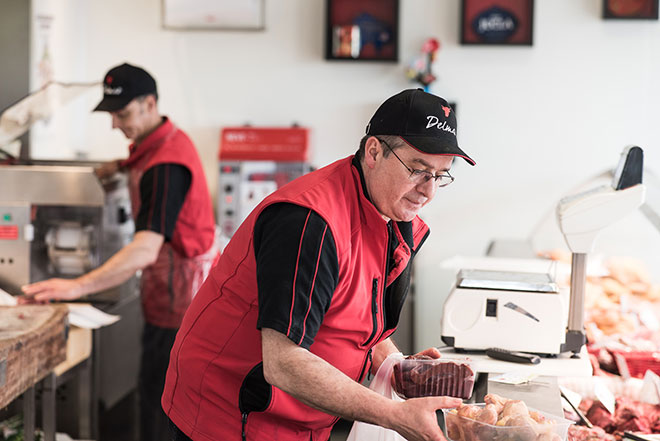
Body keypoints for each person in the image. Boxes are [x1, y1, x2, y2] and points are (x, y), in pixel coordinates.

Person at [162, 88, 476, 441]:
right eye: (418, 170)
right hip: (231, 417)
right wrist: (393, 414)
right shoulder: (308, 222)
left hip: (303, 420)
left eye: (440, 175)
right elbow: (284, 362)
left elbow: (359, 324)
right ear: (373, 152)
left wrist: (397, 367)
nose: (428, 191)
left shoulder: (392, 218)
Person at [21, 63, 217, 441]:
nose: (114, 124)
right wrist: (114, 167)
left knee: (164, 405)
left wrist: (75, 287)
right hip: (170, 297)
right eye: (111, 113)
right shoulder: (158, 143)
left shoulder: (166, 165)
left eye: (122, 113)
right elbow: (136, 159)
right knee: (156, 396)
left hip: (180, 308)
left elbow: (145, 249)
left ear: (149, 103)